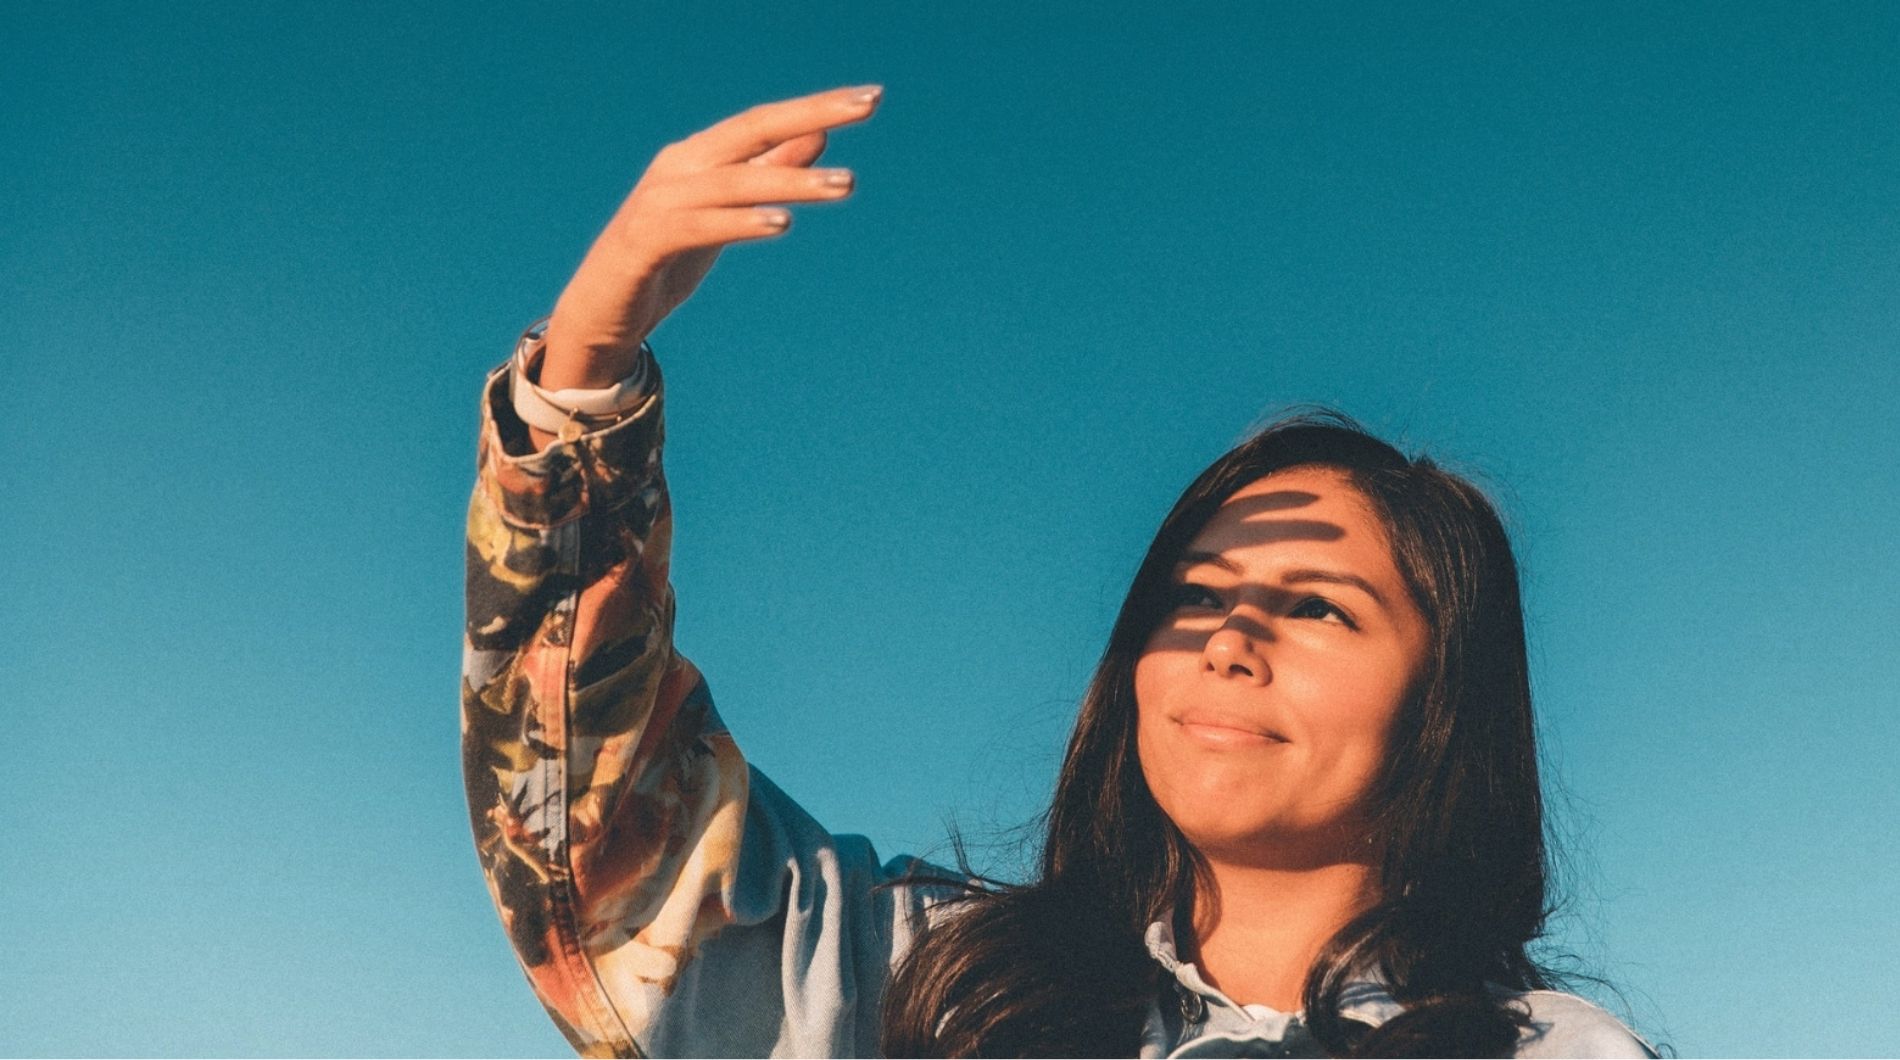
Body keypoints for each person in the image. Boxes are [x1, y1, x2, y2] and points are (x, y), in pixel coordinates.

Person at [461, 84, 1661, 1058]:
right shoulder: (935, 988)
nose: (1228, 640)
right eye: (1193, 598)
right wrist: (583, 385)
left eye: (1315, 606)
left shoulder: (1548, 1052)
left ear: (1445, 702)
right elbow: (591, 830)